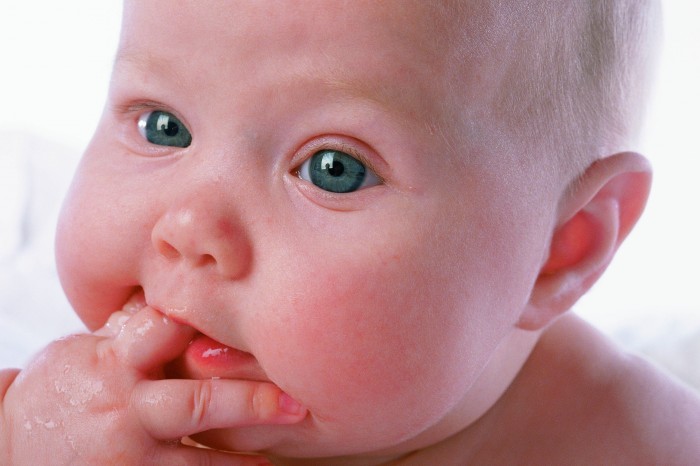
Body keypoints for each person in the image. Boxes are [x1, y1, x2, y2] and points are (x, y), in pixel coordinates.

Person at [2, 1, 699, 464]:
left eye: (334, 170)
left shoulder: (633, 443)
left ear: (560, 247)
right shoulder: (83, 412)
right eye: (164, 127)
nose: (188, 230)